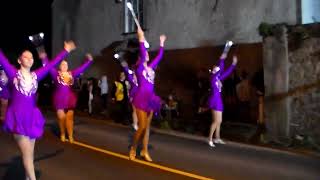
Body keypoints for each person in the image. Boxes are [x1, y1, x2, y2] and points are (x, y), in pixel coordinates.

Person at [0, 41, 76, 180]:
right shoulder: (13, 73)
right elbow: (2, 58)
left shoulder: (36, 75)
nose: (29, 59)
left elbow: (52, 64)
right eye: (26, 57)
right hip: (18, 118)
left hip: (32, 118)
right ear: (19, 60)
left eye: (31, 57)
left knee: (30, 156)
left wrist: (65, 51)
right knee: (27, 156)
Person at [129, 27, 166, 162]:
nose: (147, 55)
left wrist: (161, 43)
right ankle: (133, 148)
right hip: (140, 98)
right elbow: (144, 53)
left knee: (147, 128)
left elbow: (160, 56)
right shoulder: (139, 69)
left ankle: (144, 150)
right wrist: (141, 38)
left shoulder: (151, 68)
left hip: (150, 99)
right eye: (145, 55)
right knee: (142, 126)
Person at [41, 53, 93, 143]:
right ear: (60, 66)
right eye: (62, 64)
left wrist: (89, 61)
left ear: (68, 66)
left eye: (66, 64)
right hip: (59, 100)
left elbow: (81, 69)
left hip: (70, 99)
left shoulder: (71, 74)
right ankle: (62, 133)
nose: (64, 65)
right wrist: (44, 58)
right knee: (61, 118)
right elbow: (47, 67)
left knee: (69, 118)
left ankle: (70, 135)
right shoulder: (55, 74)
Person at [207, 42, 237, 147]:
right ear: (213, 70)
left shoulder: (219, 78)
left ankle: (217, 138)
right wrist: (227, 47)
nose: (217, 67)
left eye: (217, 67)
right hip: (214, 100)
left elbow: (228, 71)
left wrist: (233, 64)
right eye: (215, 67)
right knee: (215, 121)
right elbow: (222, 59)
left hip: (218, 100)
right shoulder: (213, 77)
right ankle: (210, 139)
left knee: (220, 121)